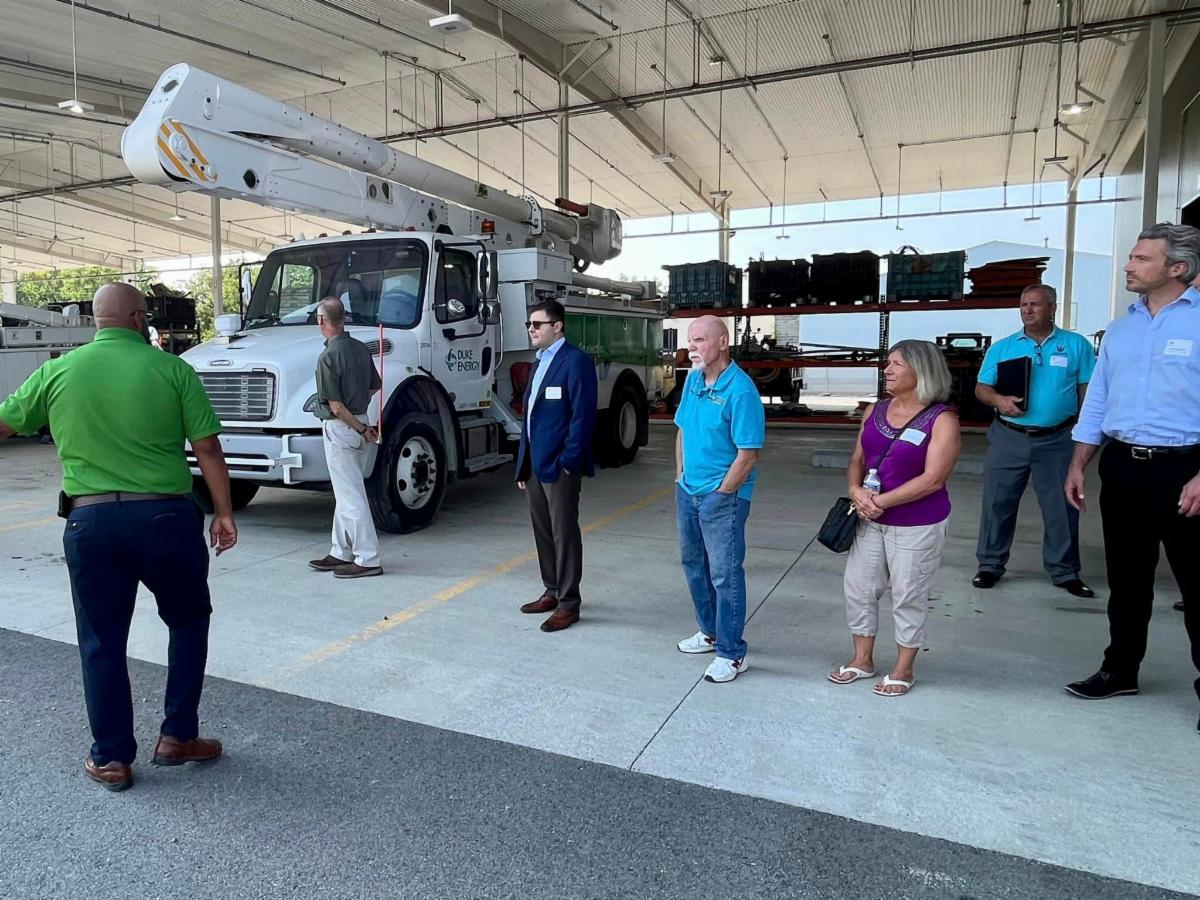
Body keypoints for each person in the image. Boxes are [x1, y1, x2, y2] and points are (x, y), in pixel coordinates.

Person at [0, 282, 236, 792]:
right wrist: (223, 512)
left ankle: (111, 758)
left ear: (95, 320)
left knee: (101, 640)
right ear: (138, 319)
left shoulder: (58, 370)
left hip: (91, 523)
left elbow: (4, 424)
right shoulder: (173, 369)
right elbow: (208, 448)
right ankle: (178, 736)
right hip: (167, 520)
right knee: (188, 622)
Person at [1064, 223, 1200, 732]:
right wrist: (1079, 462)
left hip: (1187, 468)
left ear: (1177, 268)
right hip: (1123, 466)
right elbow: (1099, 398)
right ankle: (1120, 670)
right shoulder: (1121, 329)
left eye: (1142, 258)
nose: (1128, 265)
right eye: (1131, 257)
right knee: (1126, 580)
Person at [828, 340, 960, 696]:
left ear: (922, 371)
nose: (887, 370)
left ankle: (904, 668)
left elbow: (933, 479)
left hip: (917, 524)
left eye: (896, 364)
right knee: (859, 588)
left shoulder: (942, 420)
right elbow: (858, 458)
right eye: (888, 363)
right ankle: (862, 659)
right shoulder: (875, 411)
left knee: (908, 594)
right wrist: (856, 490)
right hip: (869, 518)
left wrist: (879, 501)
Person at [972, 285, 1096, 597]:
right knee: (998, 503)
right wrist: (998, 400)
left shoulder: (1076, 345)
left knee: (1061, 506)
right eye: (1023, 305)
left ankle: (1065, 571)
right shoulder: (1003, 348)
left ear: (1052, 308)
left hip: (1058, 438)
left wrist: (1086, 431)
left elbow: (1088, 393)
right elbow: (982, 388)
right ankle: (990, 565)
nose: (1027, 310)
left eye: (1035, 305)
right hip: (1009, 436)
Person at [673, 315, 765, 683]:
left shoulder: (740, 391)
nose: (692, 347)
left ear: (723, 342)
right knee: (693, 563)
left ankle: (732, 653)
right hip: (688, 490)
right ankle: (709, 632)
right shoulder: (693, 380)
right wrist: (680, 476)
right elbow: (681, 428)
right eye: (690, 340)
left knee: (725, 574)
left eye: (700, 340)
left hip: (722, 497)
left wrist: (722, 492)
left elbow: (748, 454)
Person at [514, 299, 598, 632]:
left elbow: (582, 416)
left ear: (557, 326)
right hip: (536, 465)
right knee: (544, 531)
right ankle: (551, 590)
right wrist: (523, 465)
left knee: (564, 533)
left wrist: (568, 462)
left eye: (537, 324)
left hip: (560, 466)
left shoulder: (575, 362)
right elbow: (530, 418)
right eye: (529, 324)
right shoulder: (539, 363)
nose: (531, 330)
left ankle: (568, 603)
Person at [307, 297, 383, 578]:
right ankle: (341, 551)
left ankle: (368, 557)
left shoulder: (327, 356)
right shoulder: (361, 348)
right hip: (361, 420)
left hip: (342, 428)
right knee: (346, 491)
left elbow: (336, 407)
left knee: (351, 496)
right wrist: (363, 423)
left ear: (321, 320)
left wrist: (358, 427)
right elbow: (376, 385)